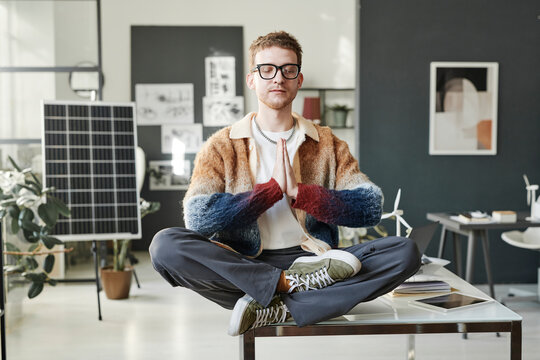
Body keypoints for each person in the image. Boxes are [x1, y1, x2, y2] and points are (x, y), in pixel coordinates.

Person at [149, 31, 421, 336]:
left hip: (318, 263)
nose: (278, 77)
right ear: (252, 79)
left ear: (298, 79)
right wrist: (268, 193)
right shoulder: (221, 145)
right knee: (165, 246)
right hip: (243, 264)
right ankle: (288, 288)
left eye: (288, 70)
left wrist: (300, 193)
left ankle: (272, 304)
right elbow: (198, 218)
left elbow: (369, 207)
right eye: (267, 69)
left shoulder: (327, 143)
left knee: (405, 252)